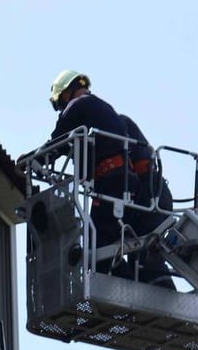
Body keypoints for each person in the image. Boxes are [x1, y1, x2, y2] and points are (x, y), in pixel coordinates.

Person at [46, 70, 139, 273]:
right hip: (125, 183)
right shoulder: (102, 107)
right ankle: (125, 281)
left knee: (93, 249)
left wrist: (33, 158)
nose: (62, 108)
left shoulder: (78, 105)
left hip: (110, 183)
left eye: (61, 103)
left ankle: (87, 304)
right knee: (104, 245)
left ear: (66, 93)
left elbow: (57, 142)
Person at [120, 114, 175, 289]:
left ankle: (161, 289)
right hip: (156, 196)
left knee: (145, 253)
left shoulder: (116, 127)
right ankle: (159, 286)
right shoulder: (123, 124)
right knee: (142, 256)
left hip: (149, 197)